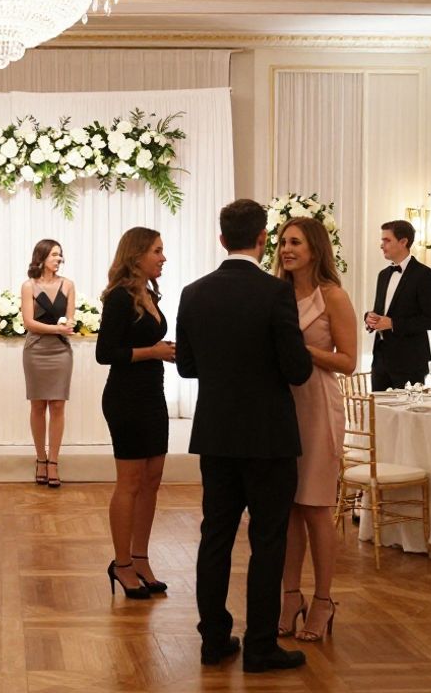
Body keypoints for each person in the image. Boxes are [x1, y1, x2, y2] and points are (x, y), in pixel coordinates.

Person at [176, 199, 313, 672]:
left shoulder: (193, 293)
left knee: (214, 535)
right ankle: (259, 646)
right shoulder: (277, 294)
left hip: (216, 433)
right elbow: (296, 371)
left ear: (221, 239)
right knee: (267, 540)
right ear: (262, 240)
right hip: (269, 436)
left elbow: (189, 367)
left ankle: (214, 640)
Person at [272, 217, 357, 643]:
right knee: (287, 506)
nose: (287, 249)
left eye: (295, 243)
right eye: (283, 241)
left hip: (318, 405)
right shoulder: (276, 293)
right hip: (280, 406)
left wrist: (300, 349)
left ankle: (324, 599)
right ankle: (291, 596)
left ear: (315, 248)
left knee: (316, 506)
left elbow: (348, 362)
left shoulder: (333, 296)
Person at [96, 227, 174, 599]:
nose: (163, 257)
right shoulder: (119, 297)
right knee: (129, 481)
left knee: (153, 478)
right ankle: (122, 562)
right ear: (137, 254)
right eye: (157, 251)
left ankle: (141, 557)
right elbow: (105, 353)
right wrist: (152, 352)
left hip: (152, 394)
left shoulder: (151, 293)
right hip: (126, 398)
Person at [21, 238, 75, 488]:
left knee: (58, 405)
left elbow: (71, 320)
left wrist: (66, 327)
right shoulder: (28, 286)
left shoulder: (68, 285)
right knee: (38, 405)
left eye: (60, 255)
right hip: (36, 350)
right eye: (54, 254)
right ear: (41, 257)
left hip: (60, 352)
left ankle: (53, 461)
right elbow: (29, 324)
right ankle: (40, 459)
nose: (58, 259)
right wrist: (58, 328)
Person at [365, 220, 431, 391]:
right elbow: (381, 312)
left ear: (403, 242)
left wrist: (392, 324)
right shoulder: (383, 275)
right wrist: (370, 318)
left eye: (387, 240)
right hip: (380, 361)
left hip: (410, 362)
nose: (381, 245)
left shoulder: (425, 275)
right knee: (379, 414)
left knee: (410, 416)